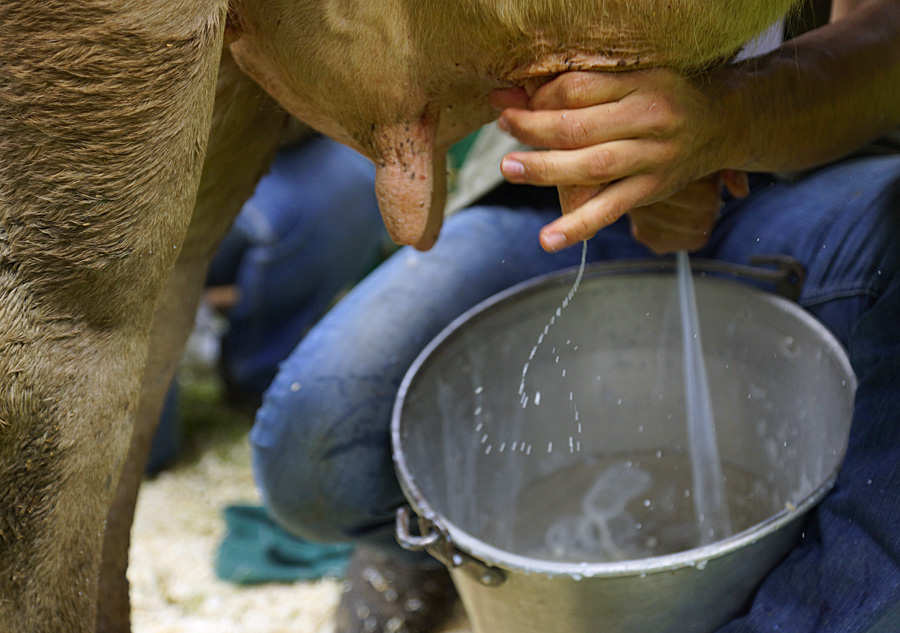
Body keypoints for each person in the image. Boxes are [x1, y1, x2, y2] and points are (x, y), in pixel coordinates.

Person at [250, 0, 900, 631]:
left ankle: (822, 590)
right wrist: (593, 144)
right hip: (551, 201)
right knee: (317, 450)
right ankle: (435, 547)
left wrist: (731, 119)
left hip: (818, 192)